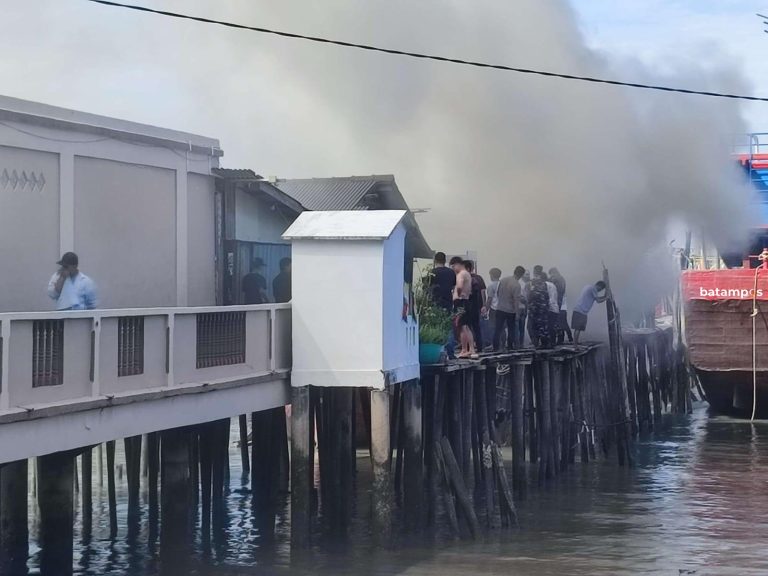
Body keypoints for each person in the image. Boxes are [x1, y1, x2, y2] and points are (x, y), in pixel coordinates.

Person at [494, 266, 525, 351]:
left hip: (500, 308)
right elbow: (516, 300)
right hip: (510, 310)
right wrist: (517, 313)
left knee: (498, 329)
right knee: (511, 329)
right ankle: (510, 346)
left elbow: (497, 293)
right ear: (521, 275)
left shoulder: (503, 280)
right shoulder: (516, 285)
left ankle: (496, 347)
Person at [450, 256, 476, 358]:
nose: (453, 269)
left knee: (461, 326)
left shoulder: (461, 274)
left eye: (453, 266)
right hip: (466, 301)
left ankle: (467, 349)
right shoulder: (467, 274)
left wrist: (458, 294)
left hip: (460, 302)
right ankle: (468, 349)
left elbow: (460, 286)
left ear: (457, 264)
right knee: (465, 326)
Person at [465, 260, 487, 351]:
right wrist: (484, 305)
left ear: (467, 268)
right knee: (477, 327)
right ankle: (480, 346)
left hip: (467, 306)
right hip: (477, 306)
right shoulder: (479, 278)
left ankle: (468, 347)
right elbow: (483, 292)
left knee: (467, 327)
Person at [527, 266, 550, 349]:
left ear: (534, 272)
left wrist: (529, 304)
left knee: (533, 326)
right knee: (543, 325)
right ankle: (545, 343)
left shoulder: (532, 282)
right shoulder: (544, 283)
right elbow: (547, 296)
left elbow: (530, 295)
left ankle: (536, 344)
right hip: (543, 307)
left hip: (535, 308)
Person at [543, 272, 560, 347]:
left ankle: (549, 343)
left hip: (550, 308)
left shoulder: (545, 284)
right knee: (552, 326)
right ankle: (553, 342)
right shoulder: (553, 285)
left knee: (548, 326)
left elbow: (548, 297)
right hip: (555, 308)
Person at [485, 267, 501, 344]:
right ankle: (502, 344)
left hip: (494, 309)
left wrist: (486, 309)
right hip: (502, 309)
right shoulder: (503, 285)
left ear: (491, 275)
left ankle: (494, 344)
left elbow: (489, 299)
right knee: (501, 328)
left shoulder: (491, 286)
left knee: (492, 327)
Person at [518, 270, 530, 347]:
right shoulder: (519, 284)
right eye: (526, 274)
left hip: (524, 307)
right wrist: (526, 301)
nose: (528, 276)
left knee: (522, 327)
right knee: (518, 327)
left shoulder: (528, 284)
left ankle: (521, 343)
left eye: (528, 274)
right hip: (519, 307)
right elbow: (519, 296)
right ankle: (517, 343)